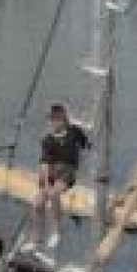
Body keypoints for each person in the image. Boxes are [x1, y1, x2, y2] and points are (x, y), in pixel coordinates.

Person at [33, 103, 89, 248]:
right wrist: (45, 184)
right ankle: (38, 237)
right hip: (51, 172)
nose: (55, 123)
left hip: (68, 171)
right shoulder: (47, 140)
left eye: (58, 119)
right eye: (52, 120)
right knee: (38, 203)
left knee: (54, 194)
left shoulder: (74, 131)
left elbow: (86, 144)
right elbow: (45, 164)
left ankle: (57, 230)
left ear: (63, 119)